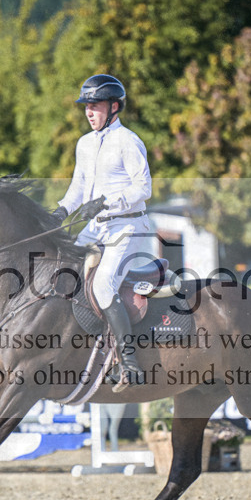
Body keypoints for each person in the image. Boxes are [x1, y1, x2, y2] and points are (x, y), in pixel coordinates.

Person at [53, 74, 152, 388]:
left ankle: (129, 362)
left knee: (104, 284)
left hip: (128, 225)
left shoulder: (128, 141)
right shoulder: (84, 144)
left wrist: (107, 203)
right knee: (60, 270)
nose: (89, 111)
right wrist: (60, 211)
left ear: (114, 106)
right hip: (96, 227)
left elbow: (143, 187)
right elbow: (78, 189)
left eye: (94, 105)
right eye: (86, 106)